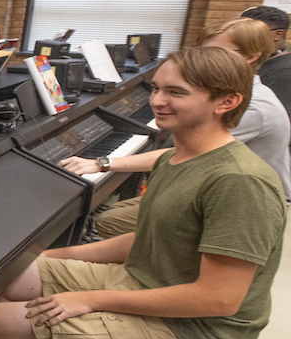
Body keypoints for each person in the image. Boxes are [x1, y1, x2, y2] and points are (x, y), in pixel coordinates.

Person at [0, 46, 285, 339]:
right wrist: (53, 256)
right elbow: (147, 241)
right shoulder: (177, 157)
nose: (158, 101)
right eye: (156, 88)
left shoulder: (239, 181)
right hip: (146, 279)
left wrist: (88, 299)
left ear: (227, 101)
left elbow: (218, 298)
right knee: (3, 278)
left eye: (177, 92)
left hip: (199, 331)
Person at [63, 18, 291, 238]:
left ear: (251, 56)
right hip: (207, 180)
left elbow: (191, 154)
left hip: (239, 201)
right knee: (114, 213)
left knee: (110, 221)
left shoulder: (253, 107)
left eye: (215, 54)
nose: (202, 60)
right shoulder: (232, 92)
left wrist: (102, 163)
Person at [240, 5, 291, 115]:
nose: (242, 37)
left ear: (278, 34)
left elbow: (276, 116)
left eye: (252, 31)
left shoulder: (285, 71)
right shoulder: (258, 61)